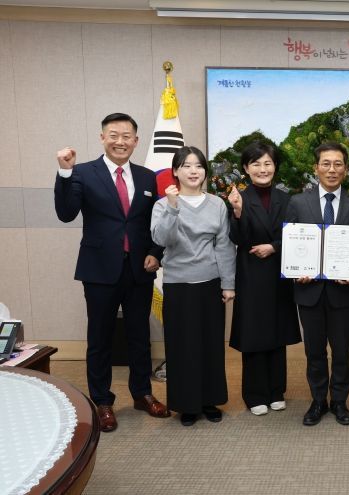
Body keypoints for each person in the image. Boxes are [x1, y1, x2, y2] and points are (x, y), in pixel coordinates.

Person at [54, 113, 169, 432]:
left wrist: (155, 253)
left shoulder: (147, 177)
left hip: (139, 269)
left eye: (127, 136)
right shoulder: (82, 172)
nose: (121, 141)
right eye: (114, 135)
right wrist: (64, 172)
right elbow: (65, 213)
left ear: (136, 141)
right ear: (102, 138)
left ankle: (142, 393)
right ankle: (102, 400)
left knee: (139, 336)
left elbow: (155, 223)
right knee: (100, 337)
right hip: (99, 270)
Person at [151, 146, 236, 426]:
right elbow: (162, 239)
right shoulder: (163, 205)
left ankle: (209, 400)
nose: (193, 171)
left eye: (198, 166)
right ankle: (187, 404)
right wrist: (173, 207)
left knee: (211, 345)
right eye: (186, 166)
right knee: (182, 346)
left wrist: (228, 284)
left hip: (211, 283)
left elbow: (224, 246)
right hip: (178, 284)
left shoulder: (217, 204)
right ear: (175, 171)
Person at [285, 142, 349, 426]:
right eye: (326, 163)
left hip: (342, 292)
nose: (332, 169)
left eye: (338, 164)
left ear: (346, 169)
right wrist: (295, 270)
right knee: (314, 351)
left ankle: (340, 401)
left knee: (342, 350)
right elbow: (290, 243)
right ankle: (318, 400)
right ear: (316, 168)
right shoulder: (298, 202)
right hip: (308, 291)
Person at [228, 142, 301, 417]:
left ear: (275, 166)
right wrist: (237, 212)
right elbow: (237, 238)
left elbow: (294, 234)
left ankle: (276, 391)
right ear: (246, 168)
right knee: (254, 333)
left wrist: (274, 247)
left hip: (279, 272)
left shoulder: (287, 199)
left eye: (268, 163)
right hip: (251, 273)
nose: (262, 169)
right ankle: (255, 394)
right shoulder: (238, 198)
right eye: (256, 164)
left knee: (276, 332)